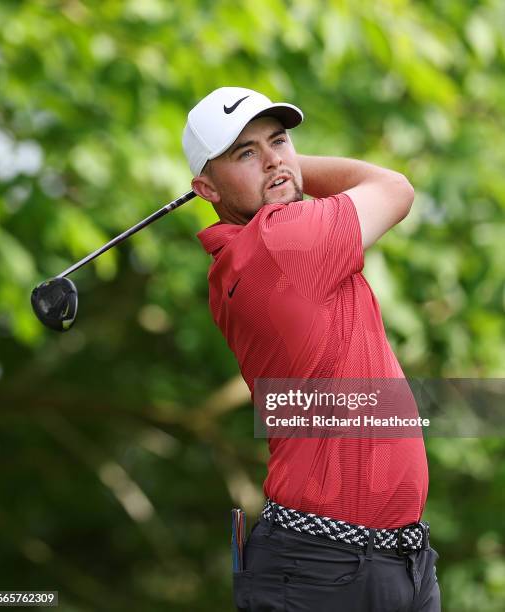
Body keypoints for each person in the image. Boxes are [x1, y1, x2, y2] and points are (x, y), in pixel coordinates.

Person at [182, 86, 441, 611]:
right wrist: (290, 171)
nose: (274, 158)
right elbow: (394, 187)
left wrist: (271, 169)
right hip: (325, 567)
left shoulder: (239, 260)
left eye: (280, 140)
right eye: (245, 153)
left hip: (389, 561)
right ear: (204, 189)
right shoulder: (283, 238)